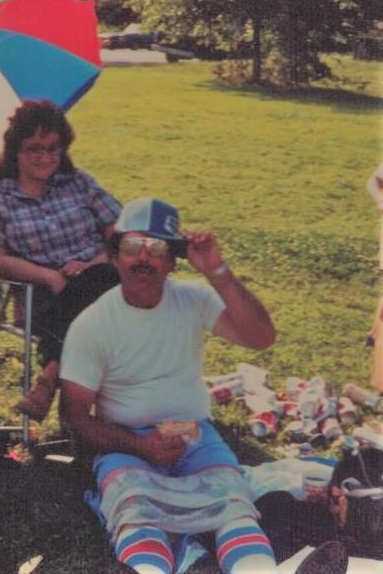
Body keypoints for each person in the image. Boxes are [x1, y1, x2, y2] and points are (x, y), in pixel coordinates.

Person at [60, 197, 282, 574]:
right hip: (125, 439)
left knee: (234, 510)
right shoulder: (92, 324)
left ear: (172, 260)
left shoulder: (192, 299)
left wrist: (218, 272)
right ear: (115, 255)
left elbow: (261, 337)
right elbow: (74, 415)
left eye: (157, 248)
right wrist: (140, 445)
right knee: (137, 515)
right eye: (132, 247)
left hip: (194, 434)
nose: (143, 258)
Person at [0, 100, 121, 422]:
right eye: (34, 149)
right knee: (100, 297)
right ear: (15, 151)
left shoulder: (78, 182)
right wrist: (51, 277)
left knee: (100, 281)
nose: (45, 157)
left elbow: (119, 231)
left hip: (99, 278)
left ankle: (50, 376)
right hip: (40, 295)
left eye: (54, 148)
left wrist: (92, 263)